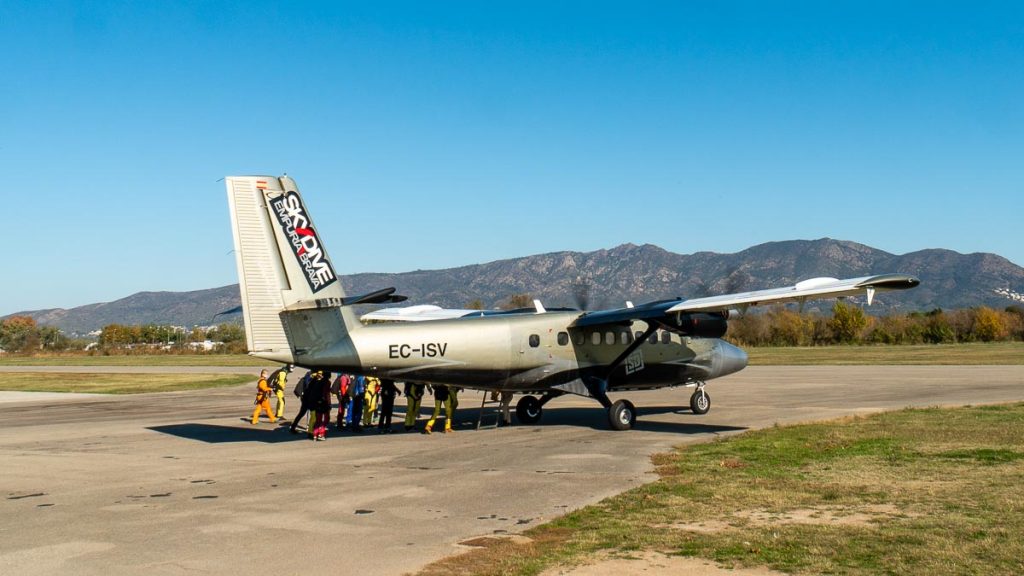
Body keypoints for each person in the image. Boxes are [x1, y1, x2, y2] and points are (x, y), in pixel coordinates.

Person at [289, 370, 316, 435]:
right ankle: (312, 429)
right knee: (314, 414)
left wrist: (301, 396)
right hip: (311, 399)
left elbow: (297, 389)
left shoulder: (304, 379)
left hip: (304, 399)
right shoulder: (313, 380)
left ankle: (293, 427)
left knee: (301, 413)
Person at [311, 371, 332, 441]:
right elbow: (327, 394)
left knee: (318, 419)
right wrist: (329, 404)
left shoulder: (318, 382)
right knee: (326, 419)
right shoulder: (328, 383)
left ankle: (315, 434)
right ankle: (321, 433)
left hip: (317, 403)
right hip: (325, 403)